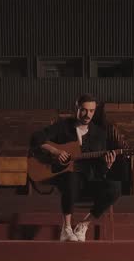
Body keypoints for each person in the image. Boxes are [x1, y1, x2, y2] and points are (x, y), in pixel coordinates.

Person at [30, 94, 123, 241]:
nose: (88, 115)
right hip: (66, 179)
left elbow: (99, 171)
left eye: (92, 111)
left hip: (89, 180)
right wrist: (56, 151)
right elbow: (35, 138)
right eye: (84, 110)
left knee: (115, 187)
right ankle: (66, 228)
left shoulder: (99, 134)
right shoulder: (63, 126)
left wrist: (107, 165)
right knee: (72, 176)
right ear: (77, 109)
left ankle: (83, 225)